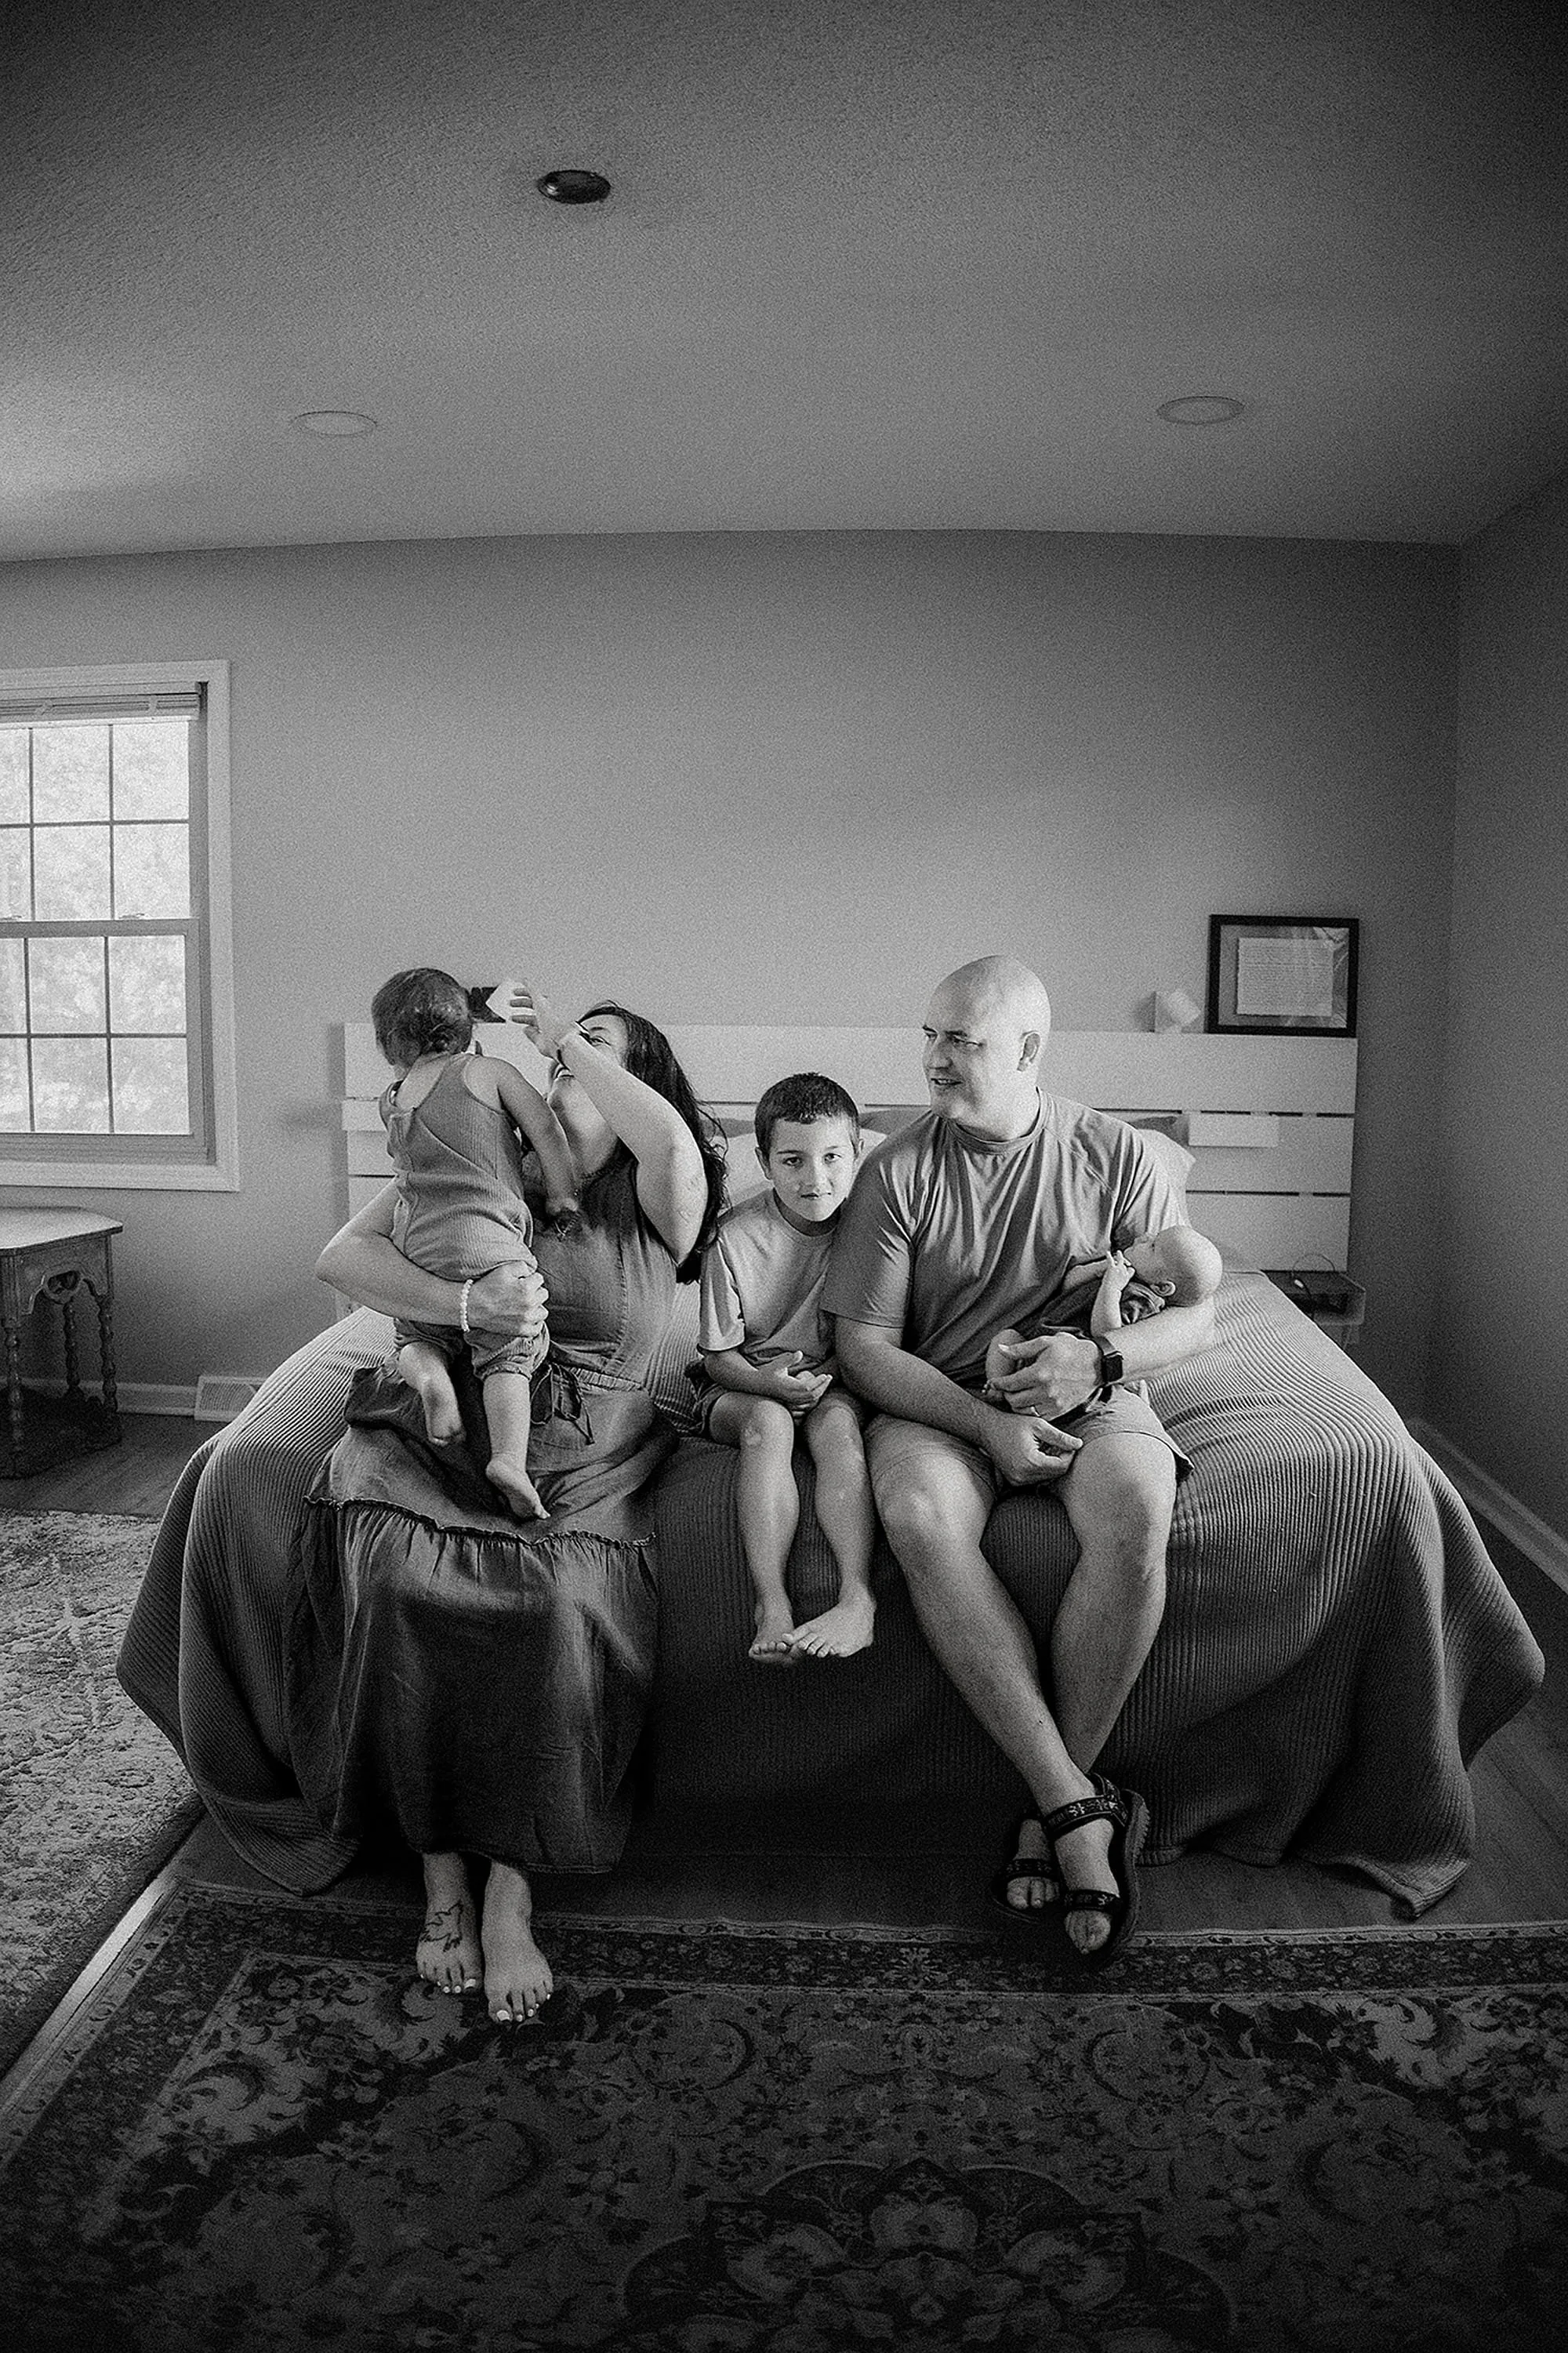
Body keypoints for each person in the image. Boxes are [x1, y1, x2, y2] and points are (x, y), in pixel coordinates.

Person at [301, 987, 724, 2027]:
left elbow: (666, 1132)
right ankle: (441, 1875)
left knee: (556, 1611)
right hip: (445, 1443)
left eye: (598, 1061)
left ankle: (511, 1889)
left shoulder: (659, 1197)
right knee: (396, 1577)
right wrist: (454, 1307)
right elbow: (343, 1258)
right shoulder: (491, 1164)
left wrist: (559, 1038)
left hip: (584, 1467)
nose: (567, 1078)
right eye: (562, 1070)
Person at [825, 956, 1218, 1966]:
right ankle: (1075, 1810)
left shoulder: (1113, 1151)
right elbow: (863, 1349)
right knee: (914, 1516)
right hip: (943, 1400)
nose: (934, 1060)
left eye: (960, 1040)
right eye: (929, 1035)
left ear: (1028, 1050)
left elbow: (1200, 1309)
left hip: (1086, 1389)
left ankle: (1054, 1809)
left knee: (1137, 1510)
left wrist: (1102, 1355)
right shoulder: (893, 1170)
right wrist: (981, 1422)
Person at [369, 966, 580, 1521]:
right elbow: (546, 1132)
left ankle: (431, 1377)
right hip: (484, 1244)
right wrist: (562, 1194)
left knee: (413, 1333)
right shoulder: (490, 1072)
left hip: (416, 1246)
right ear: (469, 1035)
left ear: (390, 1047)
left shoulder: (392, 1099)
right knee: (510, 1346)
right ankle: (509, 1459)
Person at [697, 1072, 876, 1664]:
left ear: (857, 1154)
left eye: (831, 1158)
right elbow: (716, 1355)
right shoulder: (735, 1237)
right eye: (793, 1160)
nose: (815, 1179)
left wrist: (822, 1386)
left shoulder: (874, 1232)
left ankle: (855, 1593)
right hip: (745, 1382)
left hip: (831, 1383)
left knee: (841, 1431)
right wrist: (764, 1384)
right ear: (765, 1161)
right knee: (770, 1425)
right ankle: (771, 1602)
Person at [983, 1225, 1224, 1412]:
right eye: (1154, 1236)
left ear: (1162, 1287)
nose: (1144, 1237)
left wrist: (1111, 1287)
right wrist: (1096, 1271)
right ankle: (998, 1387)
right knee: (1005, 1339)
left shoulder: (1141, 1299)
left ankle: (1011, 1397)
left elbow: (1107, 1335)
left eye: (1152, 1247)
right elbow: (1069, 1284)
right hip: (1037, 1342)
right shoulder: (1119, 1270)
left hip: (1072, 1367)